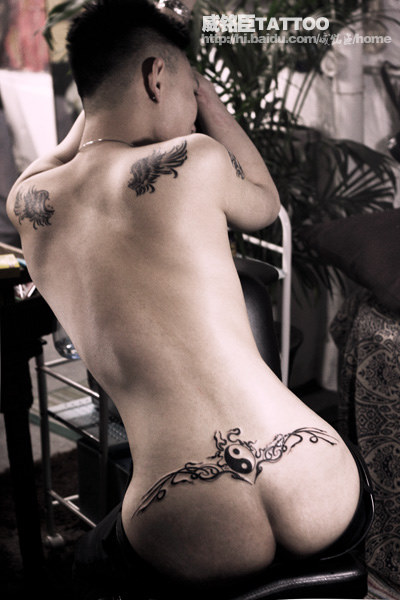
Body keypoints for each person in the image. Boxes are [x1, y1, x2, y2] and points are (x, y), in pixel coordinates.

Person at [7, 0, 372, 597]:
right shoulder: (196, 160)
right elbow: (264, 203)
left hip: (180, 515)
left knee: (91, 562)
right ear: (156, 76)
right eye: (188, 86)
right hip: (313, 475)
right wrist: (215, 110)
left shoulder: (29, 203)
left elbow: (58, 158)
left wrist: (95, 110)